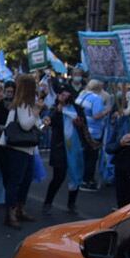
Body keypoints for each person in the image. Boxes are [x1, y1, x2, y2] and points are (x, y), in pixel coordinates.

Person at [0, 74, 46, 229]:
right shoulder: (22, 105)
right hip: (18, 148)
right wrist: (37, 111)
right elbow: (26, 125)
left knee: (25, 181)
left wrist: (43, 122)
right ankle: (10, 213)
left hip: (28, 148)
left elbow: (36, 126)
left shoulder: (28, 104)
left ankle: (19, 208)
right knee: (15, 182)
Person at [42, 84, 86, 215]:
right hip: (60, 148)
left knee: (75, 176)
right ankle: (48, 202)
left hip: (75, 148)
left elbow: (83, 126)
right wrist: (57, 111)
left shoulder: (77, 109)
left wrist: (79, 123)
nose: (64, 96)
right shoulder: (55, 109)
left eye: (67, 94)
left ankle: (71, 204)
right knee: (58, 177)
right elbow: (50, 122)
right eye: (62, 94)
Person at [78, 79, 109, 191]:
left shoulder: (82, 95)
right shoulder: (96, 99)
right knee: (91, 157)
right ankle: (87, 181)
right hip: (93, 132)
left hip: (81, 129)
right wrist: (106, 111)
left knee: (84, 156)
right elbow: (96, 115)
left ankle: (81, 178)